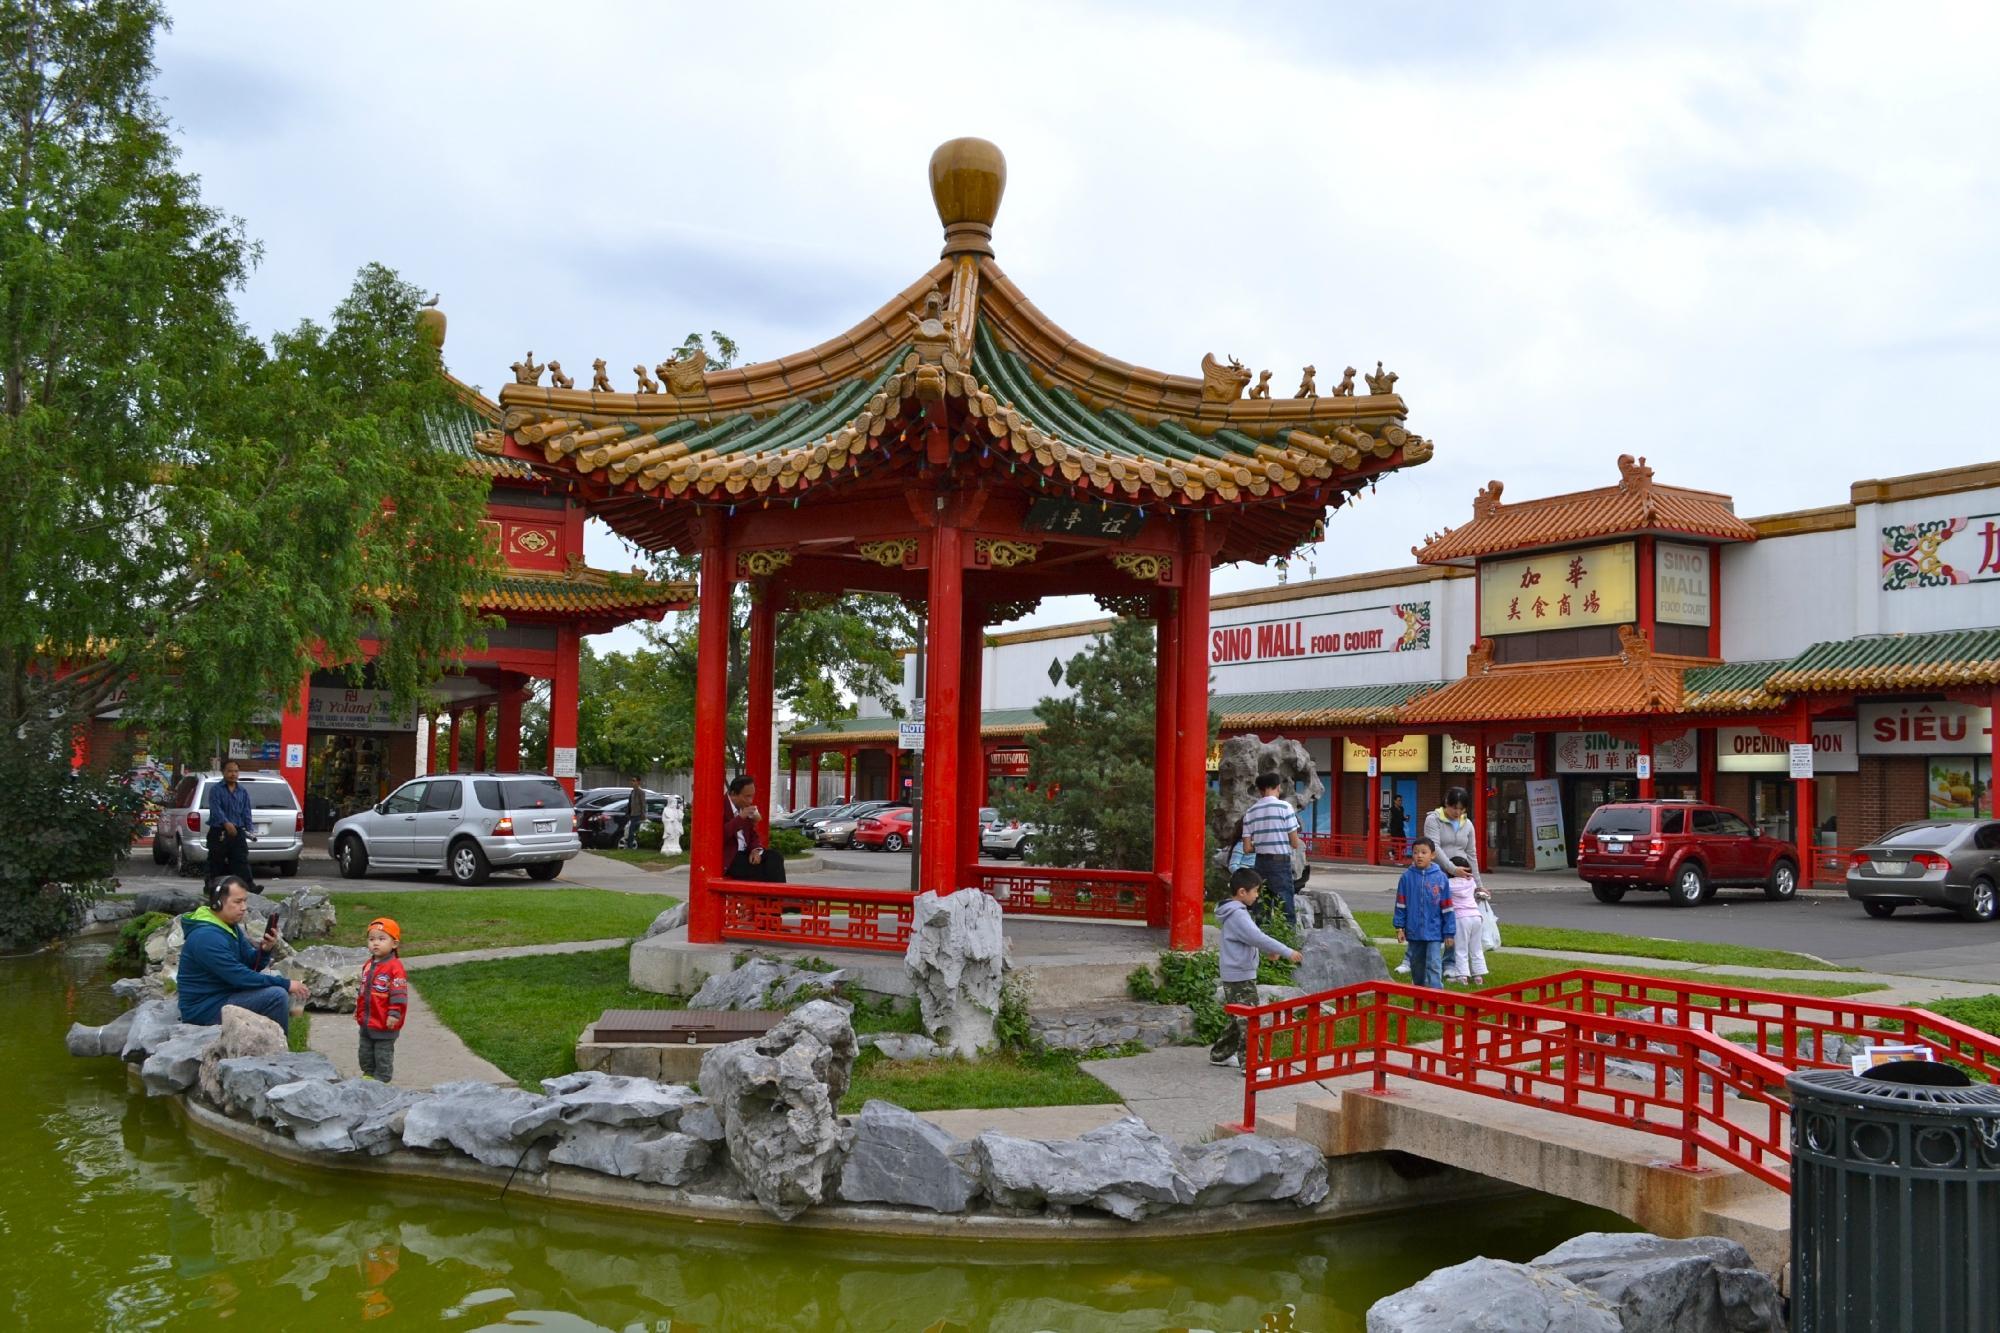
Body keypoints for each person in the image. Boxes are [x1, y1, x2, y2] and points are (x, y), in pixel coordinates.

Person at [175, 875, 310, 1032]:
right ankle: (277, 1052)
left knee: (276, 985)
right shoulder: (207, 937)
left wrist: (264, 950)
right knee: (277, 996)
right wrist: (287, 984)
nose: (244, 907)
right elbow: (240, 977)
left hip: (224, 996)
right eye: (238, 902)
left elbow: (250, 965)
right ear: (217, 903)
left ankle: (268, 1044)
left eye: (245, 901)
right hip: (204, 1010)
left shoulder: (226, 926)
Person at [1209, 869, 1303, 1069]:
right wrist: (1287, 951)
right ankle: (1253, 1063)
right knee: (1249, 1019)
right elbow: (1257, 936)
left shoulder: (1234, 912)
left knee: (1239, 1017)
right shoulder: (1238, 915)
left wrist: (1268, 950)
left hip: (1236, 972)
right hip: (1239, 974)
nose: (1257, 895)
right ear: (1242, 892)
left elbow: (1249, 938)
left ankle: (1220, 1054)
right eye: (1255, 891)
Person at [1241, 772, 1305, 924]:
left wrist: (1262, 843)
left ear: (1260, 790)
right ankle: (1287, 943)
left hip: (1260, 863)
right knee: (1285, 907)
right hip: (1280, 863)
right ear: (1278, 787)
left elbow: (1247, 848)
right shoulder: (1285, 807)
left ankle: (1262, 942)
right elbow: (1295, 843)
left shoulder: (1250, 812)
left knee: (1261, 908)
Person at [1392, 837, 1452, 989]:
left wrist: (1449, 932)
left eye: (1424, 852)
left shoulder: (1441, 878)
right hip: (1414, 930)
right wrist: (1399, 927)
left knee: (1434, 963)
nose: (1419, 856)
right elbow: (1400, 904)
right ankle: (1419, 990)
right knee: (1416, 964)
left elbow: (1447, 908)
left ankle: (1436, 994)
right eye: (1416, 852)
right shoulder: (1406, 877)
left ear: (1432, 855)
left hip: (1434, 930)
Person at [355, 916, 409, 1082]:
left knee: (382, 1055)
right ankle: (368, 1075)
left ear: (394, 944)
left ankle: (382, 1080)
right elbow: (363, 991)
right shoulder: (368, 965)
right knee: (365, 1052)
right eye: (371, 939)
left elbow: (399, 995)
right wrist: (358, 1010)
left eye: (381, 939)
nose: (375, 943)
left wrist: (394, 1014)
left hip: (385, 1024)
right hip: (367, 1021)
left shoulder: (395, 968)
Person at [723, 774, 787, 883]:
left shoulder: (744, 807)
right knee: (764, 873)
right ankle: (778, 897)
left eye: (752, 796)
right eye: (747, 796)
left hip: (746, 853)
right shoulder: (721, 806)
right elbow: (720, 835)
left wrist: (755, 850)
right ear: (733, 794)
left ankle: (780, 895)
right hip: (731, 857)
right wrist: (740, 817)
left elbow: (753, 834)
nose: (751, 801)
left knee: (775, 857)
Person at [206, 760, 255, 890]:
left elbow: (246, 811)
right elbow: (216, 809)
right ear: (223, 772)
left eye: (235, 771)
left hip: (237, 831)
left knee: (241, 861)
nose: (233, 774)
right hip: (219, 831)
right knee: (216, 862)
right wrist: (226, 823)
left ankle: (249, 887)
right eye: (230, 771)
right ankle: (212, 887)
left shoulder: (242, 791)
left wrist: (250, 829)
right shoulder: (216, 790)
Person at [1444, 855, 1491, 985]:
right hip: (1476, 916)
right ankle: (1478, 975)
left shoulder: (1447, 883)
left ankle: (1462, 976)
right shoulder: (1471, 881)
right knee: (1476, 947)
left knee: (1460, 948)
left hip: (1460, 917)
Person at [1423, 786, 1480, 883]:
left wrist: (1478, 885)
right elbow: (1434, 847)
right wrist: (1453, 869)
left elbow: (1471, 854)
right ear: (1446, 803)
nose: (1458, 812)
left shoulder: (1468, 824)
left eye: (1461, 809)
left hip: (1462, 876)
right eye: (1454, 808)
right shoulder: (1433, 820)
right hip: (1437, 875)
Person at [623, 777, 648, 850]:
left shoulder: (641, 792)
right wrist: (628, 812)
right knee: (629, 830)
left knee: (632, 831)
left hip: (637, 815)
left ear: (638, 782)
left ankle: (629, 847)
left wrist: (643, 815)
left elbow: (643, 804)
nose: (632, 782)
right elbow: (630, 802)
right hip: (631, 814)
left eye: (634, 781)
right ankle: (629, 845)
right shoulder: (632, 791)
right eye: (632, 781)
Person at [1387, 793, 1409, 857]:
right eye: (1399, 800)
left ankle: (1392, 853)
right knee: (1396, 844)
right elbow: (1389, 820)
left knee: (1404, 843)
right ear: (1395, 801)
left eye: (1401, 800)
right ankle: (1397, 858)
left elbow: (1402, 818)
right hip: (1394, 830)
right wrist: (1389, 830)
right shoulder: (1391, 810)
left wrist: (1406, 818)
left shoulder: (1401, 808)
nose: (1400, 802)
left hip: (1401, 829)